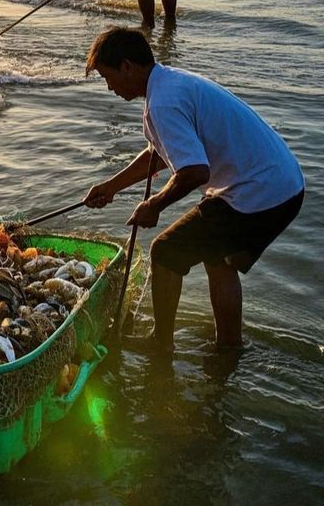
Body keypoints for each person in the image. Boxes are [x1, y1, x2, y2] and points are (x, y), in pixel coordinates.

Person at [83, 27, 304, 354]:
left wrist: (155, 205)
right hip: (283, 183)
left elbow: (194, 171)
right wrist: (111, 187)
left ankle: (161, 343)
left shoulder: (164, 102)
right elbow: (158, 155)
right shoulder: (166, 84)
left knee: (166, 251)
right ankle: (229, 346)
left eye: (108, 77)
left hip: (257, 191)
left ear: (127, 67)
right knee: (218, 257)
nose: (110, 87)